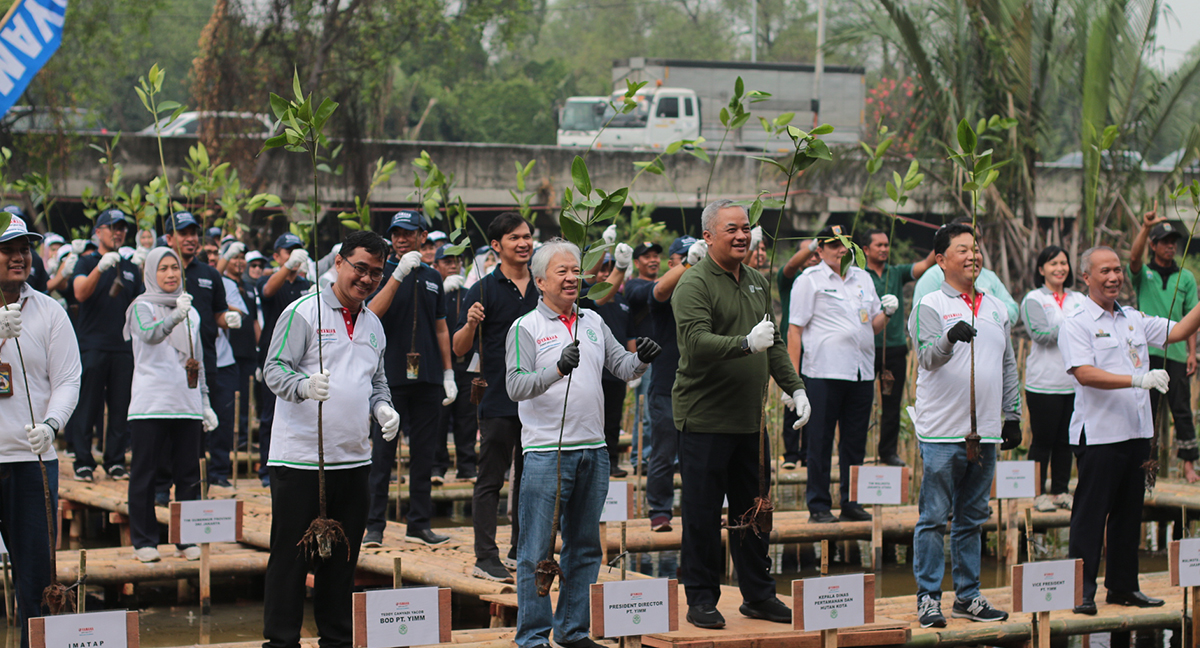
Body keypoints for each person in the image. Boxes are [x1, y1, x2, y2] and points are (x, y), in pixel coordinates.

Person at [506, 240, 657, 648]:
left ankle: (572, 632)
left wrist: (642, 358)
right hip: (545, 453)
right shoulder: (526, 327)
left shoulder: (592, 319)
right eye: (562, 271)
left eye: (576, 270)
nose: (573, 277)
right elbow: (516, 386)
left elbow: (620, 367)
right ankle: (533, 638)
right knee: (535, 549)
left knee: (586, 547)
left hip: (594, 449)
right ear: (540, 281)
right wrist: (556, 369)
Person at [672, 199, 810, 629]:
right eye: (730, 228)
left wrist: (796, 387)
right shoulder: (693, 285)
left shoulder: (755, 280)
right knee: (702, 512)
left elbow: (772, 345)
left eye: (746, 227)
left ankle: (758, 595)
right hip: (705, 419)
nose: (741, 235)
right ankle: (700, 597)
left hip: (751, 422)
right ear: (708, 236)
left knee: (754, 512)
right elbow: (695, 344)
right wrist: (744, 344)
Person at [261, 230, 399, 648]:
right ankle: (282, 641)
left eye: (376, 272)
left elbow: (377, 381)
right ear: (338, 263)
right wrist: (303, 386)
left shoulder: (373, 323)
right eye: (360, 268)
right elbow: (274, 370)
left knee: (342, 559)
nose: (368, 279)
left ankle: (336, 639)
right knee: (291, 558)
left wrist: (382, 408)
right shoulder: (303, 313)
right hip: (301, 458)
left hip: (354, 459)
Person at [1060, 245, 1200, 614]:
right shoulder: (1077, 321)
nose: (1114, 278)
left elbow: (1181, 329)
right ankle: (1081, 591)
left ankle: (1123, 587)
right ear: (1086, 277)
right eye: (1104, 271)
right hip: (1100, 434)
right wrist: (1138, 379)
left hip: (1137, 433)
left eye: (1118, 270)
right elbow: (1084, 373)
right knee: (1091, 515)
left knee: (1128, 514)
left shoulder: (1134, 318)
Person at [908, 223, 1020, 628]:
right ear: (940, 260)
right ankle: (928, 598)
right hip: (942, 431)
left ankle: (968, 597)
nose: (973, 256)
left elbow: (1007, 364)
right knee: (934, 517)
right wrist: (949, 339)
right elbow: (926, 358)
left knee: (973, 517)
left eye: (976, 249)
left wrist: (1013, 414)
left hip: (986, 430)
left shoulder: (994, 306)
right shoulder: (930, 304)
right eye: (962, 250)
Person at [0, 214, 81, 648]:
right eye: (8, 249)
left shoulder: (50, 311)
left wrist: (52, 426)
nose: (18, 257)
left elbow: (68, 378)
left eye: (24, 248)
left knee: (36, 582)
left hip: (31, 464)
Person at [789, 226, 898, 523]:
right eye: (833, 245)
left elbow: (871, 326)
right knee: (819, 441)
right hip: (823, 372)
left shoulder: (863, 277)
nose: (840, 250)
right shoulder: (809, 280)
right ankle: (819, 505)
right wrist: (792, 381)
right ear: (820, 250)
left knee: (854, 442)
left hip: (861, 372)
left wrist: (886, 313)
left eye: (844, 244)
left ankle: (851, 501)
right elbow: (795, 330)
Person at [454, 212, 539, 581]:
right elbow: (459, 349)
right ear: (496, 246)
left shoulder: (544, 286)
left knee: (532, 479)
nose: (523, 243)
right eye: (514, 238)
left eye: (527, 236)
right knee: (491, 479)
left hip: (540, 399)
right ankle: (484, 557)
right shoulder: (484, 289)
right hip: (499, 400)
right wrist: (471, 323)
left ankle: (522, 550)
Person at [364, 210, 455, 547]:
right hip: (390, 378)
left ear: (423, 235)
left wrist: (448, 372)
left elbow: (441, 326)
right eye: (396, 233)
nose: (401, 238)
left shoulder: (433, 276)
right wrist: (398, 274)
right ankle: (374, 525)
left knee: (424, 454)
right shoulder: (383, 273)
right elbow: (372, 311)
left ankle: (419, 522)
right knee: (382, 455)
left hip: (428, 377)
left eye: (408, 232)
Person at [124, 248, 217, 563]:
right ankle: (144, 540)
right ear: (151, 272)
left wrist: (205, 402)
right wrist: (174, 316)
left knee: (189, 474)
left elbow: (198, 359)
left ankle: (186, 538)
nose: (170, 274)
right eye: (162, 268)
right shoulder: (142, 306)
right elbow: (148, 335)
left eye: (174, 268)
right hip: (151, 403)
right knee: (145, 473)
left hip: (186, 403)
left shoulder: (191, 310)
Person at [67, 208, 142, 482]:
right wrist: (100, 267)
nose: (118, 232)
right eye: (112, 227)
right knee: (88, 405)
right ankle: (83, 461)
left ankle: (115, 460)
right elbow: (79, 292)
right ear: (98, 232)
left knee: (120, 407)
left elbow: (139, 306)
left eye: (122, 228)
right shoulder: (86, 263)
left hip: (123, 347)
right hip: (93, 344)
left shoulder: (132, 267)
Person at [1128, 208, 1200, 478]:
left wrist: (1193, 352)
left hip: (1178, 352)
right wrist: (1145, 227)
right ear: (1154, 245)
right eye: (1165, 241)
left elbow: (1191, 317)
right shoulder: (1142, 274)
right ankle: (1146, 465)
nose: (1171, 246)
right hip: (1147, 353)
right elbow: (1134, 258)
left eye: (1174, 242)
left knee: (1181, 408)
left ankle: (1189, 464)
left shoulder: (1187, 278)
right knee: (1147, 407)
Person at [644, 236, 706, 533]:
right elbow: (658, 290)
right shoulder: (664, 295)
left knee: (702, 454)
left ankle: (701, 510)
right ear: (672, 263)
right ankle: (659, 510)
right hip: (667, 387)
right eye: (683, 258)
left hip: (702, 387)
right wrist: (689, 263)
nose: (694, 262)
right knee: (664, 453)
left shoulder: (705, 293)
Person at [1019, 245, 1087, 512]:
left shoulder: (1078, 298)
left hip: (1073, 383)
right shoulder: (1034, 299)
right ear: (1041, 269)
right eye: (1053, 263)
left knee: (1065, 441)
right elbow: (1041, 335)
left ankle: (1060, 490)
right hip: (1043, 383)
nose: (1060, 268)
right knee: (1042, 440)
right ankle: (1037, 493)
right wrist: (1073, 325)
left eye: (1063, 263)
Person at [862, 228, 935, 466]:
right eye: (878, 245)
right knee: (860, 402)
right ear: (865, 250)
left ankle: (888, 452)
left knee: (892, 404)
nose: (884, 249)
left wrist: (943, 241)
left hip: (894, 347)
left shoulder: (896, 272)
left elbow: (923, 265)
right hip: (865, 347)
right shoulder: (858, 275)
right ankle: (856, 450)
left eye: (886, 245)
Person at [256, 233, 312, 487]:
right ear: (277, 255)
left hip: (304, 359)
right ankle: (267, 469)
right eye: (288, 251)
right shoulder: (269, 280)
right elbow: (268, 291)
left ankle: (297, 463)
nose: (294, 255)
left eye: (297, 251)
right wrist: (288, 267)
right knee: (269, 414)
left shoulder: (305, 283)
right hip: (274, 358)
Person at [581, 249, 636, 477]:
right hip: (592, 370)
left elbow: (630, 334)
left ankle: (611, 462)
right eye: (602, 268)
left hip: (617, 372)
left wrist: (634, 367)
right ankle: (588, 463)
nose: (606, 274)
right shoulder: (588, 300)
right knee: (590, 417)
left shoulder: (623, 302)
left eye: (611, 269)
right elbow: (594, 292)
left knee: (613, 419)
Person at [912, 217, 1018, 324]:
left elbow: (1012, 311)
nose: (972, 256)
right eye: (962, 250)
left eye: (976, 240)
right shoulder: (932, 277)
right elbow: (922, 324)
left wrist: (989, 309)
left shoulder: (990, 277)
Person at [432, 246, 478, 483]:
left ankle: (467, 466)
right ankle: (438, 466)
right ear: (436, 265)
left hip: (467, 362)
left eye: (456, 260)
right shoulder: (432, 291)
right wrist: (440, 291)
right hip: (440, 364)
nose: (452, 265)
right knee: (439, 417)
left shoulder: (469, 292)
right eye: (446, 260)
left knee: (467, 417)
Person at [775, 239, 819, 469]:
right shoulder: (788, 280)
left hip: (816, 351)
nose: (812, 256)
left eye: (816, 252)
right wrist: (812, 246)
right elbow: (790, 267)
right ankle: (791, 453)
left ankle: (808, 452)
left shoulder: (823, 281)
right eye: (807, 252)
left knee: (814, 400)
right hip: (791, 348)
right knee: (791, 400)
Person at [223, 244, 262, 451]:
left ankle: (244, 441)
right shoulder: (222, 283)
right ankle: (229, 440)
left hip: (248, 352)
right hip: (229, 351)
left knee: (246, 399)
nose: (239, 261)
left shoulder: (249, 286)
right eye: (235, 257)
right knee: (231, 398)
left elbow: (254, 320)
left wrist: (261, 347)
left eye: (242, 258)